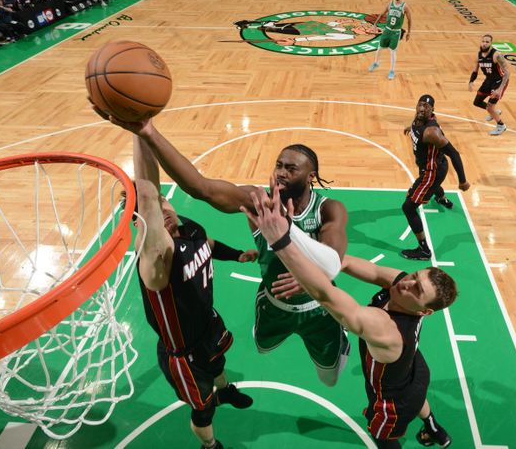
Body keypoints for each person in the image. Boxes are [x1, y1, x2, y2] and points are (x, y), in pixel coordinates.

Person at [95, 113, 351, 387]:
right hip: (274, 304)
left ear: (311, 176)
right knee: (263, 345)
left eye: (291, 169)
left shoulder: (328, 209)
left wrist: (305, 273)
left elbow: (333, 259)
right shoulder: (258, 201)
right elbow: (201, 188)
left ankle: (339, 341)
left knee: (329, 379)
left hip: (319, 306)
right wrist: (148, 132)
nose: (281, 173)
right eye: (279, 165)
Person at [242, 183, 457, 449]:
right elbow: (345, 262)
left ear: (425, 311)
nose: (407, 283)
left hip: (392, 400)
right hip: (415, 370)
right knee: (416, 388)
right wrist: (319, 268)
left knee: (384, 438)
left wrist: (281, 240)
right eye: (415, 276)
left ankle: (421, 431)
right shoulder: (402, 288)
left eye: (417, 289)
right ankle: (433, 426)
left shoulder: (385, 329)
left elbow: (325, 296)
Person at [130, 135, 254, 449]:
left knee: (219, 364)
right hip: (183, 354)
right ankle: (210, 445)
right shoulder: (157, 256)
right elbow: (146, 194)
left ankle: (225, 390)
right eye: (155, 209)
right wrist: (138, 129)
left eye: (164, 201)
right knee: (203, 408)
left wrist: (236, 254)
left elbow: (208, 245)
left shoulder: (189, 227)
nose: (163, 208)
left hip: (209, 325)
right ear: (143, 222)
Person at [401, 94, 470, 260]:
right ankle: (441, 198)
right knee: (433, 186)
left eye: (426, 106)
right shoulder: (419, 118)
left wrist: (462, 180)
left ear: (432, 110)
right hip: (432, 166)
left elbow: (454, 153)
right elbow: (419, 125)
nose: (422, 108)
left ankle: (424, 250)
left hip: (431, 171)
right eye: (420, 105)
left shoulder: (432, 132)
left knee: (408, 207)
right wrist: (411, 129)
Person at [468, 34, 510, 136]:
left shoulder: (496, 55)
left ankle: (501, 125)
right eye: (483, 41)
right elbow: (475, 71)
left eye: (487, 42)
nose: (484, 43)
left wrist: (500, 89)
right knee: (477, 102)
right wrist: (471, 81)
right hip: (489, 80)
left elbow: (507, 73)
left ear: (491, 44)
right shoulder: (478, 55)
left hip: (499, 81)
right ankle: (495, 112)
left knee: (490, 107)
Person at [368, 0, 412, 80]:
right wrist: (375, 24)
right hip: (387, 30)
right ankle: (376, 63)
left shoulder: (405, 7)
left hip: (395, 32)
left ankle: (392, 71)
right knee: (379, 48)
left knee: (392, 52)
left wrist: (409, 32)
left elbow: (409, 20)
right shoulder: (390, 4)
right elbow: (381, 14)